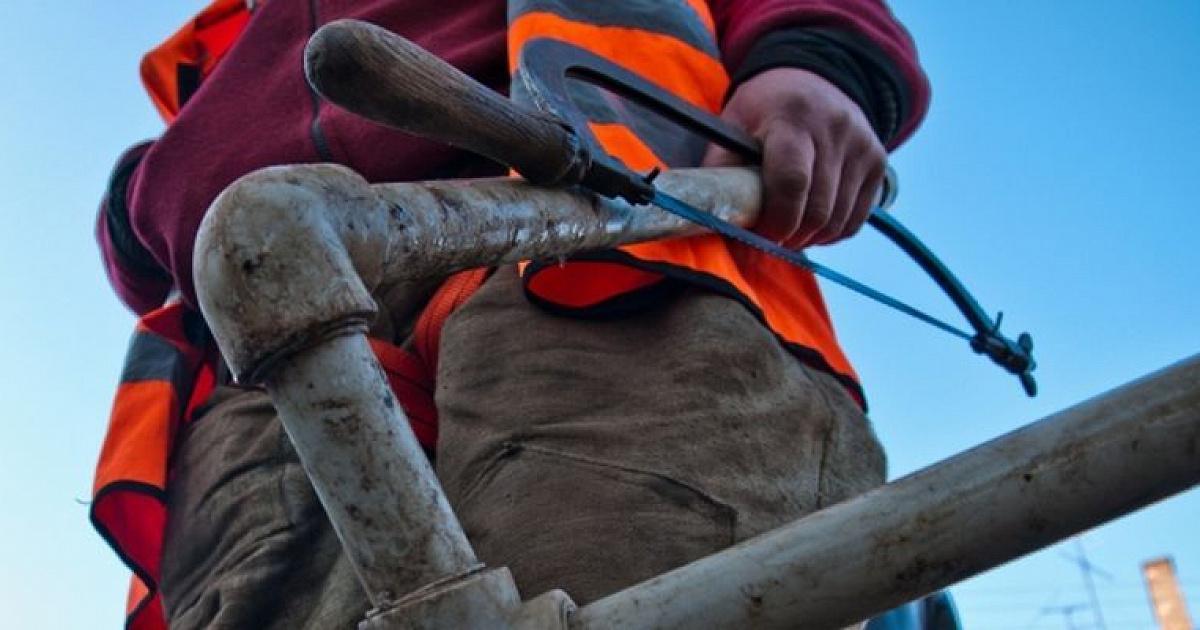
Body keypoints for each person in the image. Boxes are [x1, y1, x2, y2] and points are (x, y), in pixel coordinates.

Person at [92, 1, 930, 628]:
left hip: (582, 247)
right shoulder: (226, 36)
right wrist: (145, 191)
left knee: (632, 566)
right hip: (253, 357)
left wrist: (812, 64)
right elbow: (139, 257)